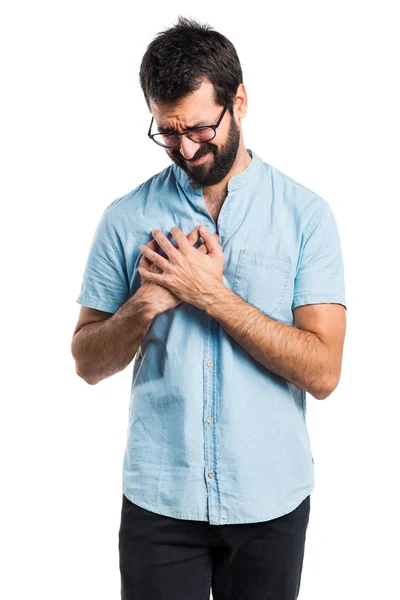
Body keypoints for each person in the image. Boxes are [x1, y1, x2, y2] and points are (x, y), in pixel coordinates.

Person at [71, 15, 347, 600]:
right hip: (160, 502)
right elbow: (87, 362)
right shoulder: (125, 218)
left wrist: (208, 295)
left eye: (199, 129)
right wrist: (144, 305)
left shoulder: (306, 217)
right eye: (168, 133)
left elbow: (323, 373)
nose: (187, 149)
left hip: (270, 501)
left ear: (239, 102)